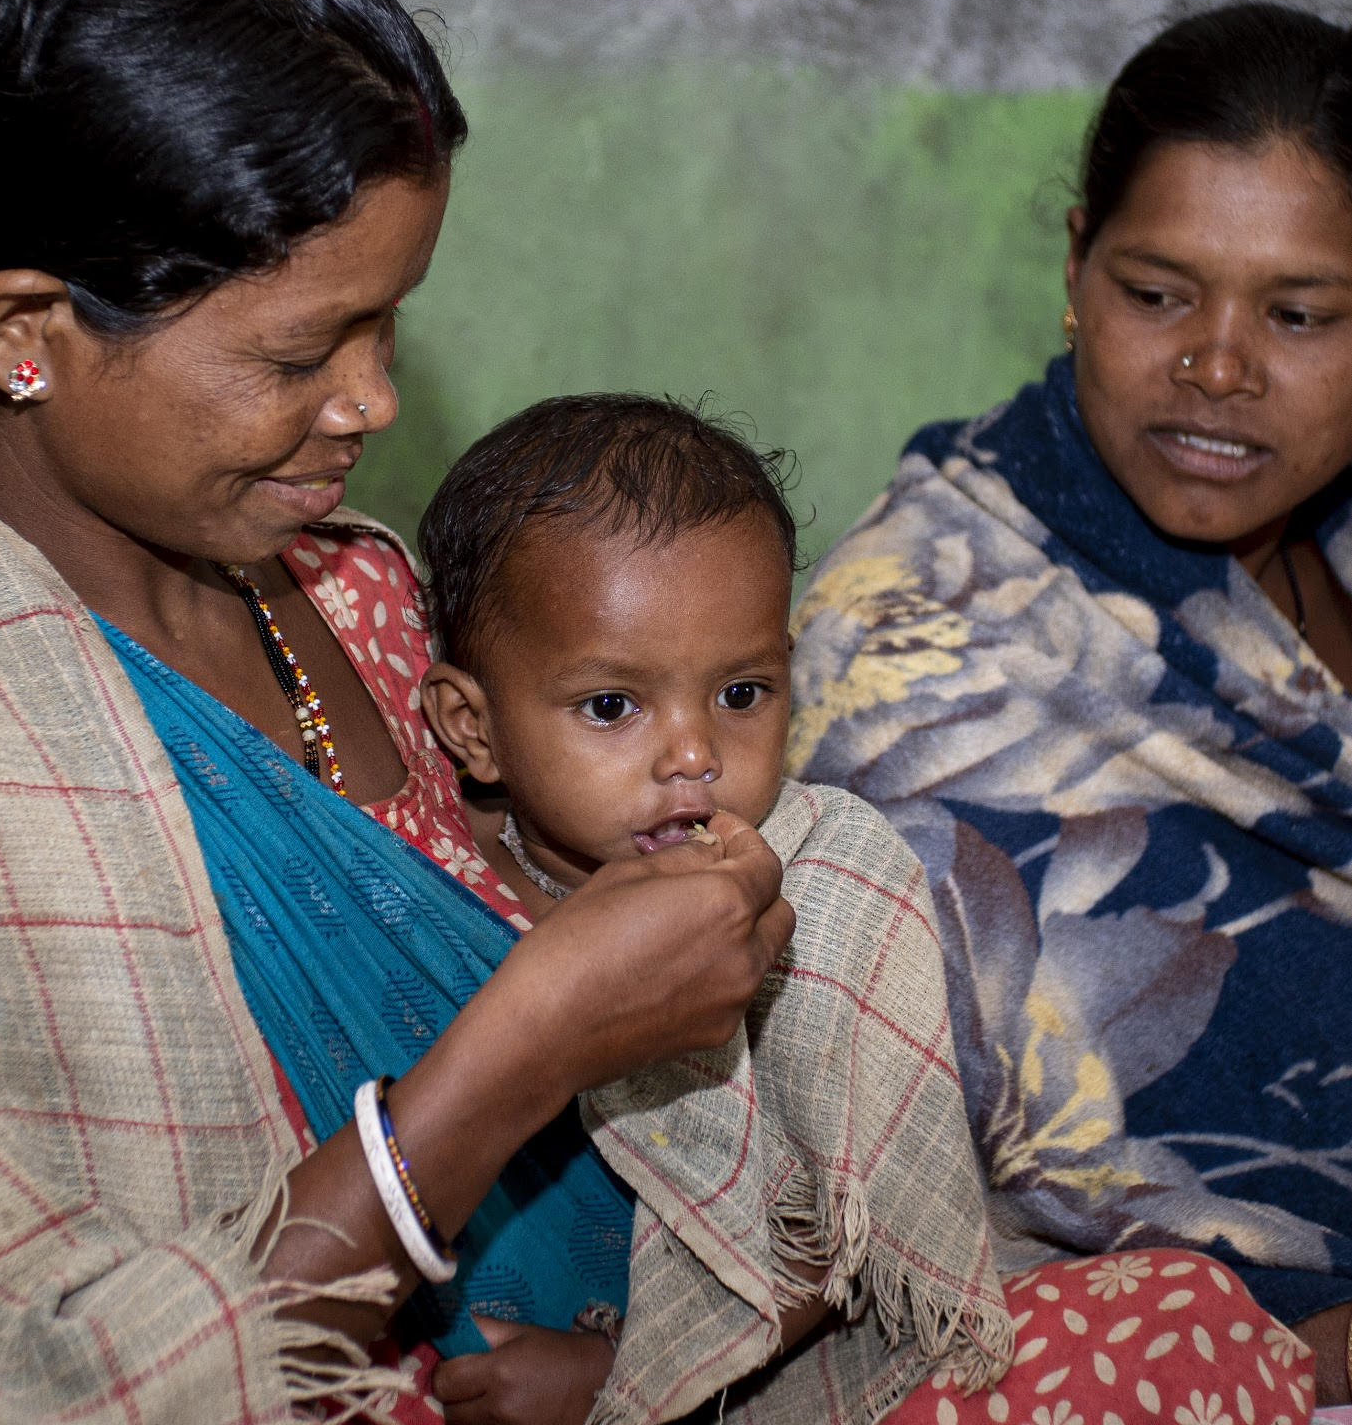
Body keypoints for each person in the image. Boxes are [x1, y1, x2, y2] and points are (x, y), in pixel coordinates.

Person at [0, 0, 801, 1424]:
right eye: (300, 351)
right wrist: (519, 1056)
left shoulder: (365, 599)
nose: (373, 405)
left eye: (389, 324)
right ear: (27, 331)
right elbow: (55, 1382)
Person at [790, 1, 1352, 1424]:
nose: (1217, 366)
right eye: (1157, 292)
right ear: (1074, 271)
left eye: (1299, 315)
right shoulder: (918, 655)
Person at [414, 392, 1013, 1424]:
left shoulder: (822, 877)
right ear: (472, 727)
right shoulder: (433, 894)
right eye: (613, 705)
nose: (694, 754)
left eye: (742, 693)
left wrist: (624, 1376)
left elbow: (840, 1227)